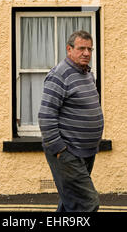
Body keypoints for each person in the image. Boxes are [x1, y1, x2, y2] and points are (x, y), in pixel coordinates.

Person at [38, 30, 104, 212]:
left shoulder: (88, 75)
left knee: (71, 204)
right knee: (87, 203)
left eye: (90, 49)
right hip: (68, 152)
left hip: (86, 151)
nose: (87, 53)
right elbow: (46, 115)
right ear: (69, 49)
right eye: (81, 48)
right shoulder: (59, 75)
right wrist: (60, 150)